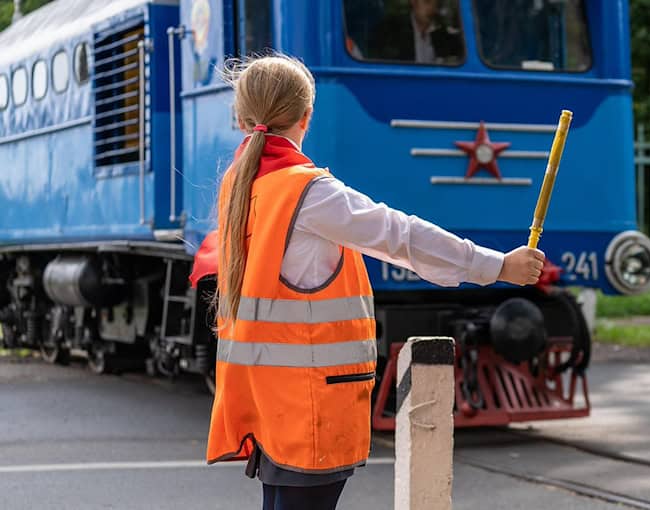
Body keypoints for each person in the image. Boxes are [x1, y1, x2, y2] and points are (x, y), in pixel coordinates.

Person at [205, 54, 545, 510]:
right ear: (307, 116)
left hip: (267, 398)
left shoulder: (240, 185)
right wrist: (498, 266)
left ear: (242, 117)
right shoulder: (307, 192)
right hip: (311, 402)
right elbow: (400, 235)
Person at [367, 0, 464, 63]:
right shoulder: (392, 30)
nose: (432, 9)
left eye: (436, 5)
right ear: (413, 2)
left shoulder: (441, 34)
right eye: (427, 2)